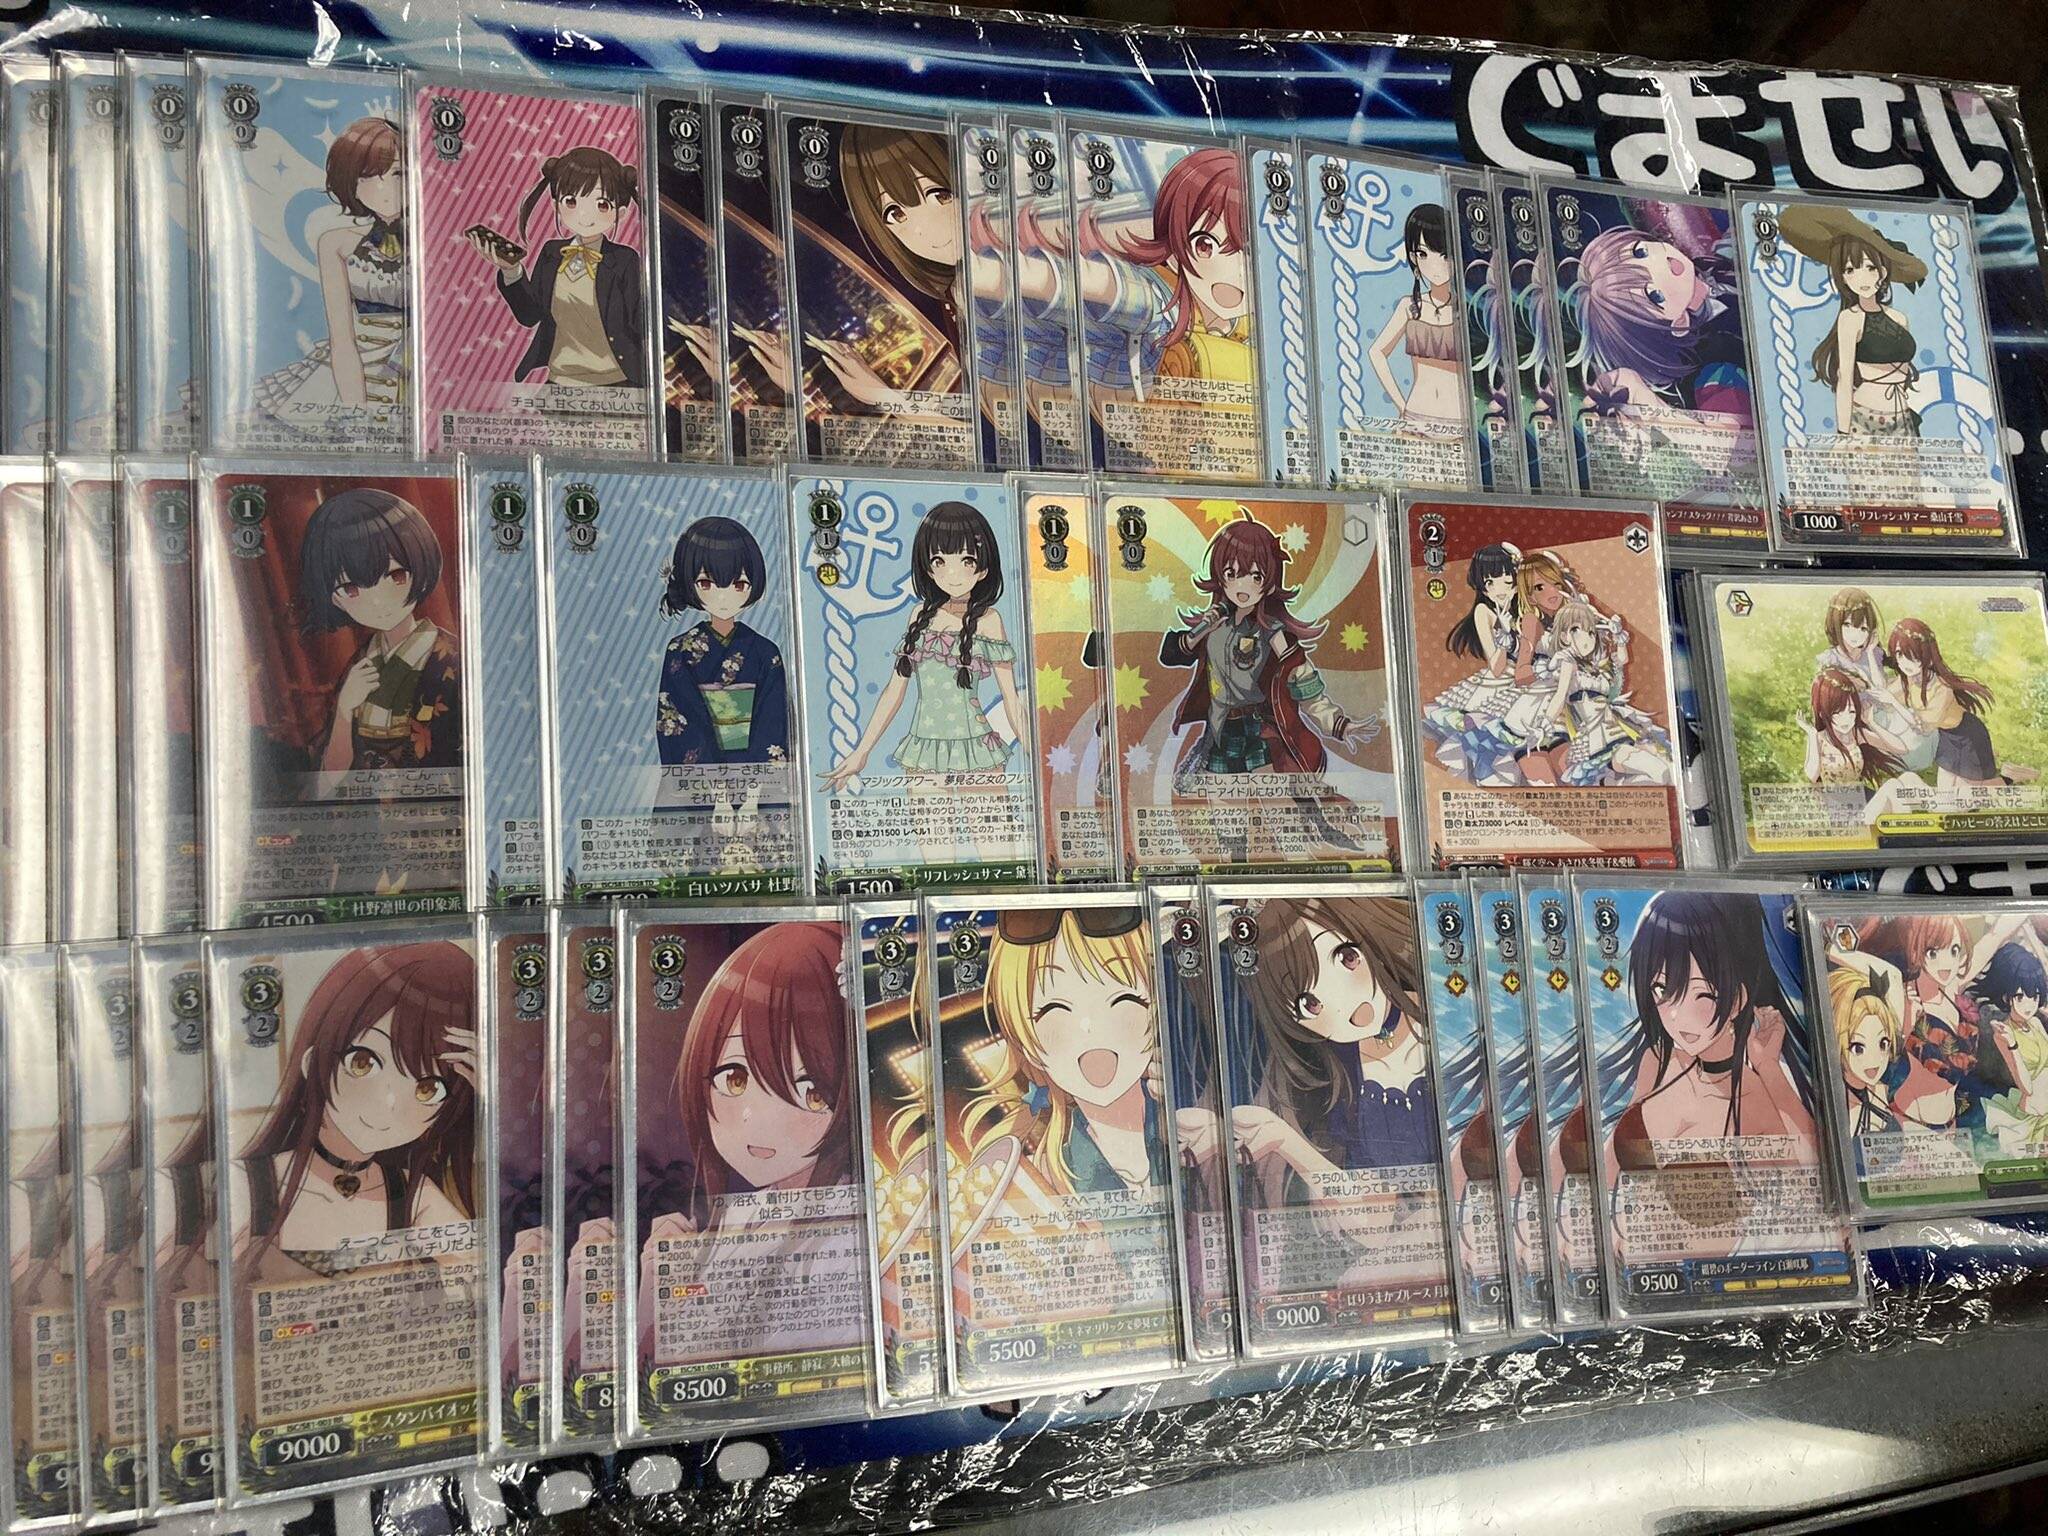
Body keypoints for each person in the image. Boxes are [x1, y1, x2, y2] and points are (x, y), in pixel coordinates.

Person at [231, 942, 477, 1286]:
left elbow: (487, 1279)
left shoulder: (413, 1195)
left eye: (429, 1088)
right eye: (364, 1063)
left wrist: (496, 1096)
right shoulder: (249, 1184)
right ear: (313, 1060)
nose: (389, 1102)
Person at [960, 905, 1164, 1203]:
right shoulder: (1051, 1173)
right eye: (1053, 1009)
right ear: (1025, 1042)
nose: (1089, 1028)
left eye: (1124, 998)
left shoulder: (1188, 1120)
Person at [822, 501, 1024, 790]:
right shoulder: (920, 615)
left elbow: (1011, 699)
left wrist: (1038, 756)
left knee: (992, 822)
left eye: (967, 560)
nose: (953, 575)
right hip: (924, 750)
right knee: (927, 822)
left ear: (983, 568)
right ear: (927, 568)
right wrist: (861, 752)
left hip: (977, 748)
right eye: (939, 561)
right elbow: (895, 690)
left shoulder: (989, 620)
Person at [1157, 511, 1374, 777]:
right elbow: (1170, 655)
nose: (1242, 585)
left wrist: (1337, 724)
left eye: (1256, 576)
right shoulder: (1214, 627)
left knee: (1269, 793)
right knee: (1218, 797)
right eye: (1232, 573)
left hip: (1259, 730)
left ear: (1269, 585)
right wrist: (1201, 631)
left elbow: (1303, 682)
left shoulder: (1273, 633)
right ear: (1220, 576)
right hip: (1219, 731)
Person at [255, 117, 408, 428]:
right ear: (351, 183)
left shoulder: (433, 241)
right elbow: (342, 339)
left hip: (418, 375)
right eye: (369, 177)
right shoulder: (336, 242)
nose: (385, 189)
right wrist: (357, 413)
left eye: (397, 174)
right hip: (355, 373)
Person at [297, 487, 460, 775]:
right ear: (333, 597)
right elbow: (329, 778)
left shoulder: (452, 660)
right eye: (350, 589)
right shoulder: (360, 664)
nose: (377, 601)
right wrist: (345, 710)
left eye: (395, 575)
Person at [469, 147, 647, 390]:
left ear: (621, 212)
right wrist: (512, 270)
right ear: (556, 204)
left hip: (617, 383)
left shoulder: (624, 260)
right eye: (571, 201)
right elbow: (530, 315)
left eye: (602, 205)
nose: (584, 215)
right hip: (560, 381)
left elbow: (640, 323)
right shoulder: (552, 253)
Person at [1777, 205, 1928, 438]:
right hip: (1866, 418)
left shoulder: (1899, 318)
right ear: (1842, 276)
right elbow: (1845, 379)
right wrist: (1843, 432)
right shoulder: (1850, 319)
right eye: (1850, 270)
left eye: (1870, 267)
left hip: (1902, 417)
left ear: (1883, 272)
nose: (1861, 278)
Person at [655, 516, 789, 766]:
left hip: (755, 775)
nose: (723, 597)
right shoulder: (680, 650)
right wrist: (714, 780)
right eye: (706, 583)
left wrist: (752, 779)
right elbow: (677, 718)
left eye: (739, 584)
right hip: (701, 775)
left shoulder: (764, 651)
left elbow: (773, 720)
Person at [1368, 204, 1464, 424]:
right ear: (1413, 257)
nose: (1435, 266)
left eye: (1445, 255)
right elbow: (1376, 352)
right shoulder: (1410, 306)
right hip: (1416, 416)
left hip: (1461, 421)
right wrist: (1402, 406)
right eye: (1423, 254)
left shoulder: (1468, 310)